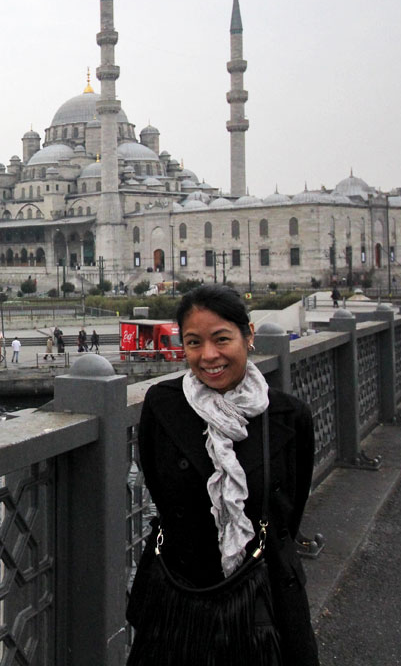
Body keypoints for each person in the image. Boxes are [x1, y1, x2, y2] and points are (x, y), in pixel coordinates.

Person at [128, 284, 318, 664]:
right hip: (179, 596)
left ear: (248, 336)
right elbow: (160, 488)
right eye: (194, 342)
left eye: (221, 339)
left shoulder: (287, 416)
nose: (208, 356)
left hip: (263, 599)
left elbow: (288, 511)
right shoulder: (163, 405)